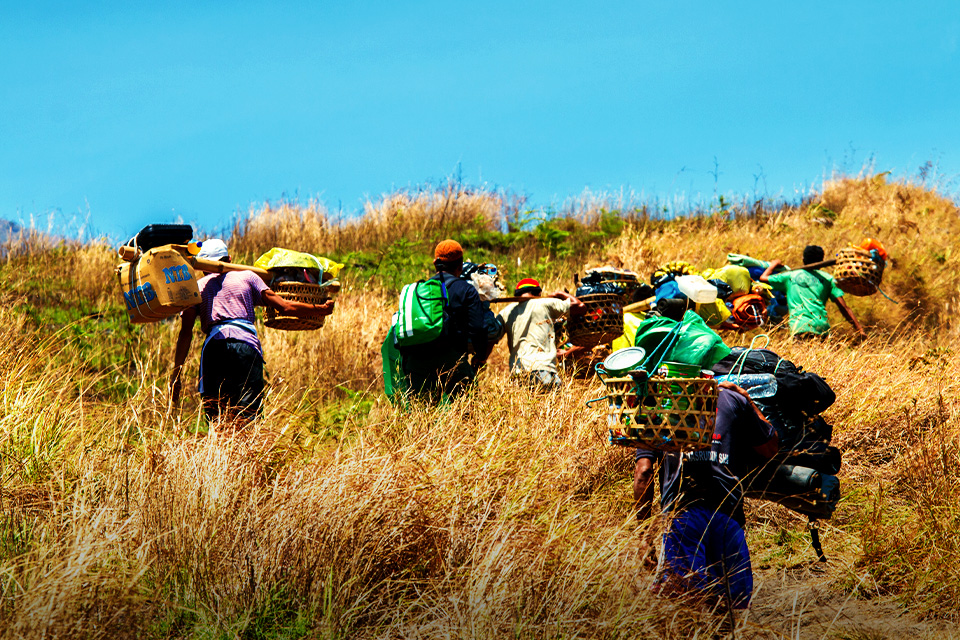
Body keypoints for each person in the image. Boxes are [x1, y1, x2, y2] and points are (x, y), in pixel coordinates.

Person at [634, 382, 778, 609]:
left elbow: (643, 472)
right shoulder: (733, 399)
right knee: (728, 608)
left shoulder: (658, 402)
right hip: (728, 517)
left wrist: (644, 535)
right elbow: (770, 447)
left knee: (683, 606)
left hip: (682, 519)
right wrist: (747, 399)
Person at [171, 239, 335, 423]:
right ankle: (245, 449)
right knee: (248, 412)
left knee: (216, 413)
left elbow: (185, 333)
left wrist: (176, 374)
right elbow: (286, 307)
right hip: (245, 347)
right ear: (230, 259)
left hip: (214, 348)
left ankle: (219, 449)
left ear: (203, 267)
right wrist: (320, 309)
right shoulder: (247, 277)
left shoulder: (198, 287)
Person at [398, 240, 489, 403]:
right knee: (465, 413)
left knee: (422, 415)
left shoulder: (421, 290)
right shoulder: (466, 289)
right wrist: (480, 356)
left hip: (416, 359)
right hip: (451, 358)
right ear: (460, 265)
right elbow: (478, 328)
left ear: (435, 264)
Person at [759, 245, 866, 340]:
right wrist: (859, 330)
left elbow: (763, 278)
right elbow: (844, 308)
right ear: (822, 261)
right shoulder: (828, 279)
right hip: (821, 327)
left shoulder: (790, 276)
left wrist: (773, 264)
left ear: (803, 259)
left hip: (799, 327)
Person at [496, 278, 585, 388]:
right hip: (543, 370)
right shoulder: (544, 303)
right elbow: (580, 307)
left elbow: (492, 337)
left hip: (517, 373)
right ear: (538, 293)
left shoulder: (506, 312)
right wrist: (559, 293)